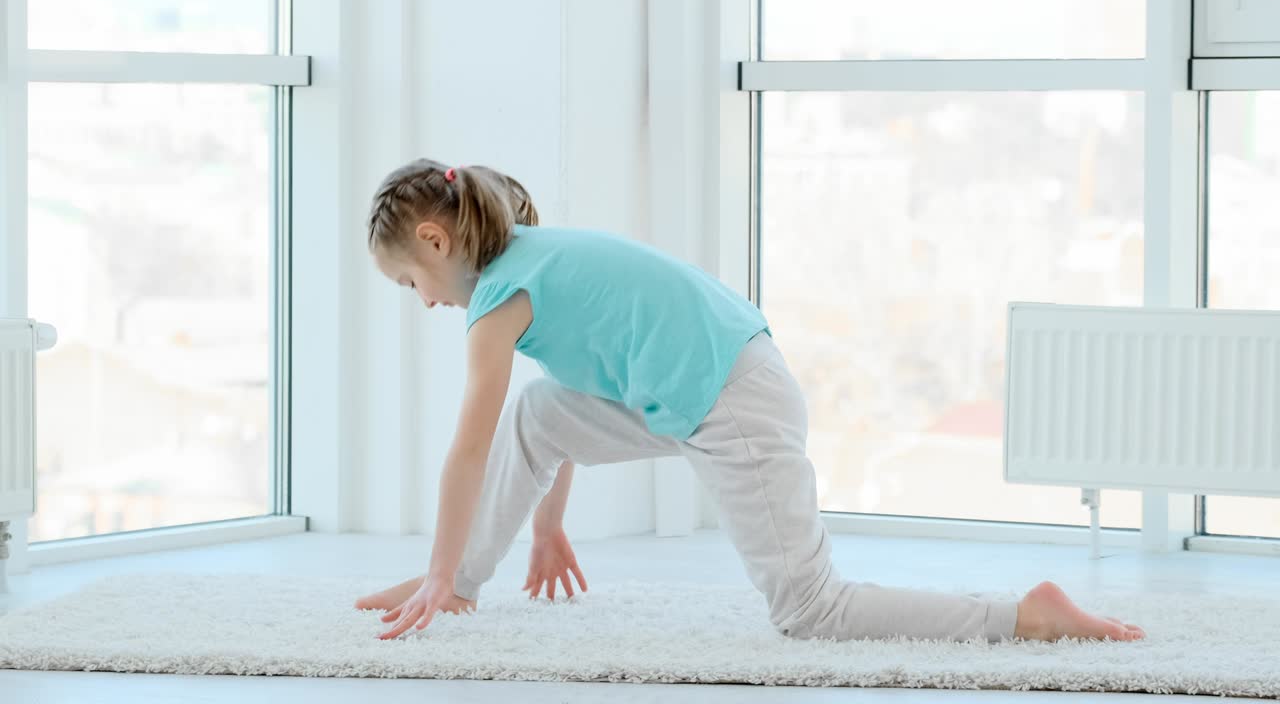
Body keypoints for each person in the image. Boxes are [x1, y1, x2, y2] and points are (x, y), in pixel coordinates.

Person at [353, 158, 1146, 645]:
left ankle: (1021, 615)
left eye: (409, 284)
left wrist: (430, 562)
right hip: (702, 388)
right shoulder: (531, 260)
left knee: (810, 611)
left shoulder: (501, 297)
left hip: (731, 401)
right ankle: (456, 588)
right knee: (542, 412)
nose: (422, 302)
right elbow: (559, 415)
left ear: (434, 241)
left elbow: (466, 448)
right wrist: (549, 525)